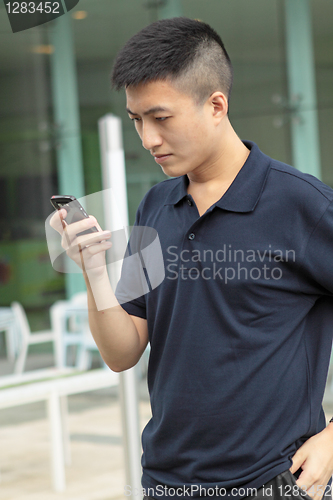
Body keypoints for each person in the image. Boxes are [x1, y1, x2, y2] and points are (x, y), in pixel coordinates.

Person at [50, 16, 333, 500]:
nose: (147, 139)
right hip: (165, 482)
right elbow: (122, 354)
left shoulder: (304, 205)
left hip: (278, 482)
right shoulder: (156, 205)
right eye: (136, 120)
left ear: (216, 105)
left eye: (161, 118)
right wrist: (93, 269)